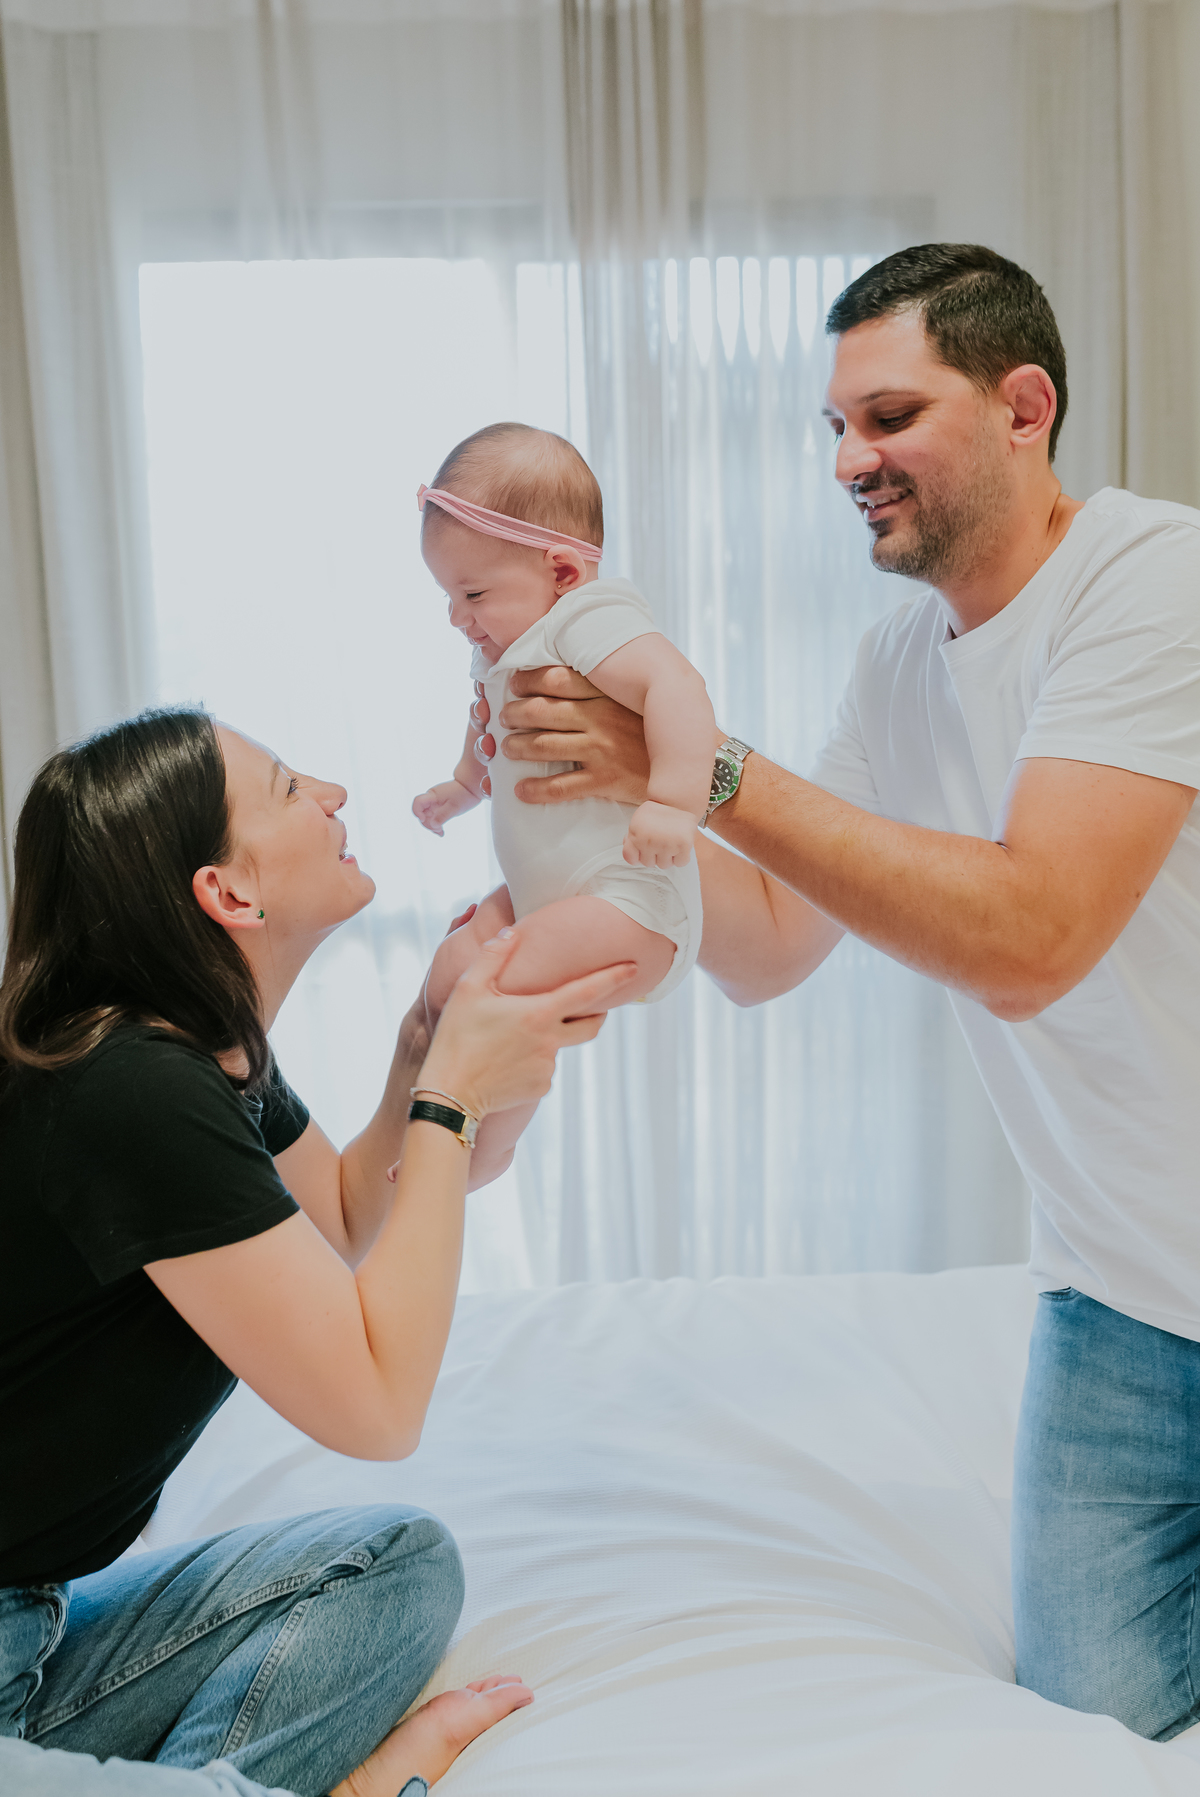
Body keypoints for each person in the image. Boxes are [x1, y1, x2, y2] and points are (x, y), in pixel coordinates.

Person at [472, 244, 1200, 1741]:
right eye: (833, 428)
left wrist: (712, 767)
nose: (848, 460)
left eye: (887, 416)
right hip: (1120, 1298)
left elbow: (1032, 937)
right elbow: (761, 951)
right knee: (1094, 1723)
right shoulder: (897, 667)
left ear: (1023, 407)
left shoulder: (1155, 577)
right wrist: (613, 835)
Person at [0, 707, 637, 1795]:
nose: (334, 795)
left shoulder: (194, 1050)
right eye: (293, 788)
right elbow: (378, 1408)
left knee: (393, 1563)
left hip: (33, 1610)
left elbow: (343, 1215)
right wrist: (448, 1102)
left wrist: (422, 1048)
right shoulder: (133, 1092)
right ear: (230, 893)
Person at [411, 422, 712, 1183]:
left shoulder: (588, 620)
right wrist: (462, 785)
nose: (457, 616)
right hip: (550, 897)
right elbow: (490, 731)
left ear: (564, 573)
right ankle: (444, 1119)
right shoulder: (499, 652)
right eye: (448, 595)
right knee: (452, 969)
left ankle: (487, 1147)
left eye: (473, 592)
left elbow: (677, 687)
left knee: (498, 984)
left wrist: (675, 802)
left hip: (631, 902)